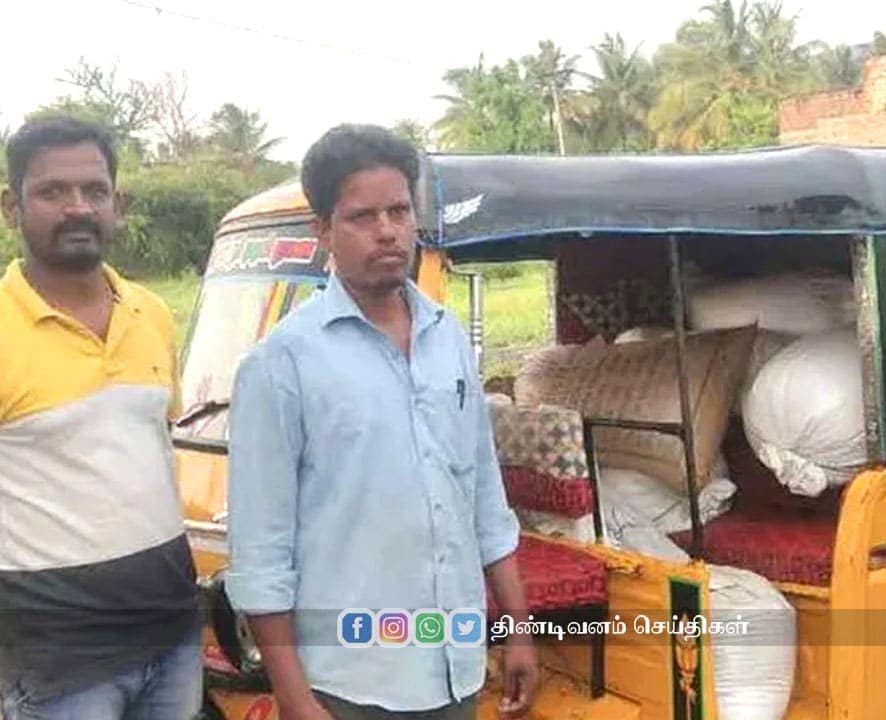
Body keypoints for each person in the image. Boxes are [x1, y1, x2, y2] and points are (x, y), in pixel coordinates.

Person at [225, 123, 537, 720]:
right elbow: (262, 552)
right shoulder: (281, 363)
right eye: (363, 217)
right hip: (349, 684)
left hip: (456, 669)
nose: (388, 230)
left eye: (398, 210)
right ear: (324, 230)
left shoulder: (448, 340)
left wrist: (518, 630)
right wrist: (294, 696)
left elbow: (483, 500)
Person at [0, 116, 202, 719]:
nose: (77, 208)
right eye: (53, 192)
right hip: (56, 663)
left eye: (94, 191)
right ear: (12, 208)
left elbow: (150, 457)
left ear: (118, 205)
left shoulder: (153, 315)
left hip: (171, 637)